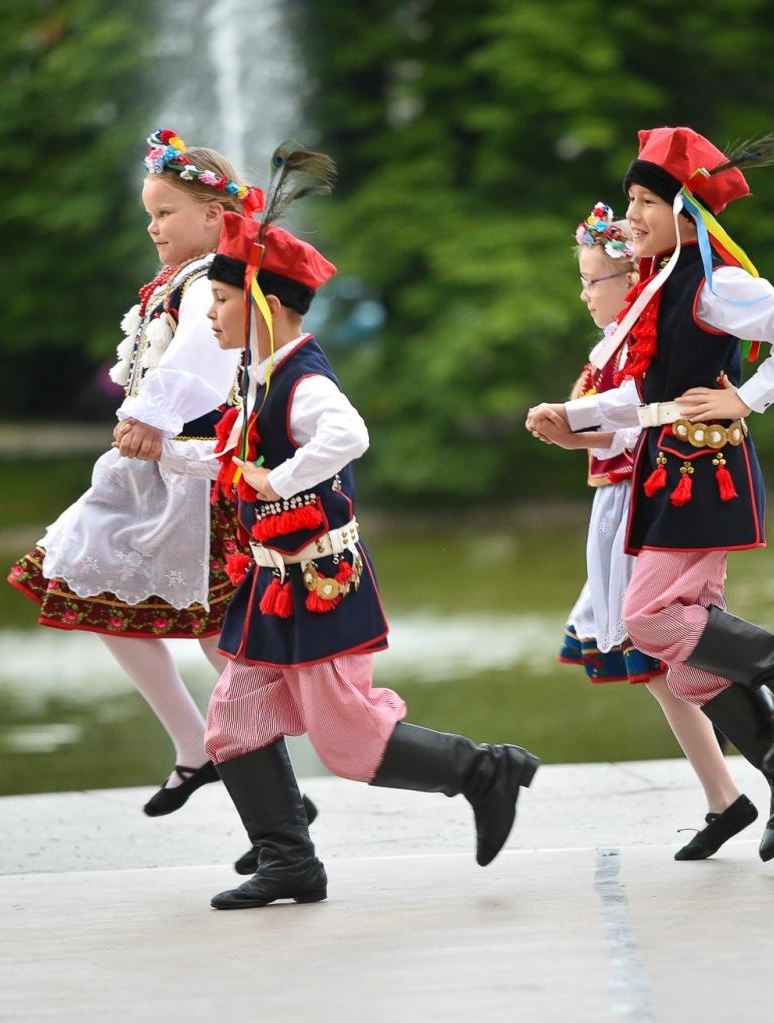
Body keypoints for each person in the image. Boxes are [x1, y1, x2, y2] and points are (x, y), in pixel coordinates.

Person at [194, 147, 540, 909]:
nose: (211, 314)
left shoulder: (305, 380)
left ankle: (485, 771)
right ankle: (290, 863)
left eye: (219, 300)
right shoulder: (256, 382)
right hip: (271, 587)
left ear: (263, 303)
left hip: (317, 584)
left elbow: (348, 435)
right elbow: (233, 461)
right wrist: (166, 457)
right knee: (233, 721)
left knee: (348, 743)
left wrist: (277, 481)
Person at [528, 127, 774, 863]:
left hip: (703, 472)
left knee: (648, 618)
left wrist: (750, 398)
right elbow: (644, 395)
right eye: (632, 199)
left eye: (646, 201)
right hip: (670, 470)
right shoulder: (663, 285)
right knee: (689, 661)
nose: (632, 215)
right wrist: (571, 416)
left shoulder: (709, 280)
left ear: (685, 209)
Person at [8, 130, 312, 830]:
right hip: (152, 474)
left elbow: (204, 362)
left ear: (213, 215)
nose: (153, 227)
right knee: (88, 577)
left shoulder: (215, 280)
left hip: (195, 475)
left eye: (166, 212)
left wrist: (150, 413)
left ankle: (268, 801)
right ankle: (209, 754)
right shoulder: (179, 282)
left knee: (218, 638)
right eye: (149, 213)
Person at [542, 202, 752, 860]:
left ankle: (769, 761)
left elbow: (634, 425)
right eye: (582, 281)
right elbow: (609, 429)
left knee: (664, 648)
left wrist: (572, 425)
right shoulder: (608, 350)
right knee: (659, 665)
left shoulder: (646, 346)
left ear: (631, 281)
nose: (584, 295)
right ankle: (729, 793)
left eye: (593, 281)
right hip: (616, 508)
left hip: (648, 505)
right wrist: (569, 428)